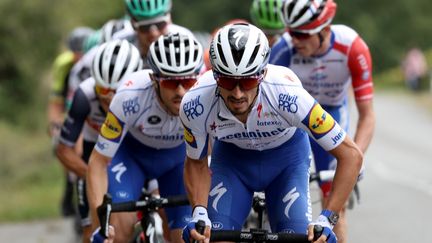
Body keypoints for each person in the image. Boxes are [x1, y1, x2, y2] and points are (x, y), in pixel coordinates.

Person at [180, 23, 363, 243]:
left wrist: (328, 217)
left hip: (286, 163)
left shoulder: (289, 96)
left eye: (247, 81)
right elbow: (196, 162)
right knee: (215, 238)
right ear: (215, 75)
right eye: (228, 80)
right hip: (232, 163)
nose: (238, 93)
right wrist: (199, 212)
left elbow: (351, 155)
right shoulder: (196, 102)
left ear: (263, 73)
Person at [269, 1, 375, 242]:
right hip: (293, 122)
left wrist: (355, 157)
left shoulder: (352, 47)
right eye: (290, 32)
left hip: (331, 116)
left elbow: (367, 114)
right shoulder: (284, 49)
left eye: (301, 34)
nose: (294, 40)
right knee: (275, 196)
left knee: (334, 205)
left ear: (324, 29)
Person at [87, 33, 203, 243]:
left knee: (186, 238)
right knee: (117, 232)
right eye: (170, 83)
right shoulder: (129, 96)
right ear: (154, 80)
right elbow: (98, 162)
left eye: (188, 80)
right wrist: (99, 225)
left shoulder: (206, 94)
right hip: (131, 158)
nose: (180, 91)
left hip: (177, 162)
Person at [56, 39, 143, 243]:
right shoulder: (84, 95)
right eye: (103, 91)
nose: (111, 99)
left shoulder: (145, 92)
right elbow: (64, 150)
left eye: (119, 91)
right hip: (92, 153)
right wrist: (94, 176)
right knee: (92, 230)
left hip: (132, 153)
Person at [47, 26, 94, 218]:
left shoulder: (97, 63)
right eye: (75, 53)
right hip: (72, 108)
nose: (79, 58)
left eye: (82, 53)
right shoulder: (63, 66)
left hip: (92, 113)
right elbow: (56, 101)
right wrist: (54, 125)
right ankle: (70, 195)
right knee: (67, 146)